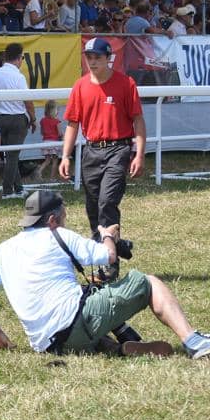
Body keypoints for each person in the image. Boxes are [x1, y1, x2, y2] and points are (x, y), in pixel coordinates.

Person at [0, 189, 210, 360]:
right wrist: (108, 235)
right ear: (52, 221)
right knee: (148, 283)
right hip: (76, 321)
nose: (65, 221)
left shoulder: (3, 249)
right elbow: (108, 257)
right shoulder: (57, 236)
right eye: (64, 216)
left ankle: (119, 349)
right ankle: (194, 342)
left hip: (47, 344)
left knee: (90, 302)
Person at [60, 37, 145, 265]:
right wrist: (66, 156)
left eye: (98, 57)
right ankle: (112, 248)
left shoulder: (126, 84)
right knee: (93, 207)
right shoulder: (80, 86)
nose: (92, 61)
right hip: (91, 151)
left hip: (118, 149)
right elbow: (72, 124)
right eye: (89, 57)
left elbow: (138, 120)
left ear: (109, 58)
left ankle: (109, 263)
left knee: (107, 202)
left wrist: (138, 153)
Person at [0, 41, 34, 199]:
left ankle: (18, 188)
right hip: (17, 118)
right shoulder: (18, 76)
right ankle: (7, 191)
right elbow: (28, 100)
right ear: (19, 58)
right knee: (13, 156)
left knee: (11, 155)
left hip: (1, 118)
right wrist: (33, 118)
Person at [37, 99, 62, 182]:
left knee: (47, 160)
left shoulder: (43, 120)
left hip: (45, 143)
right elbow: (59, 133)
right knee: (55, 161)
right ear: (54, 110)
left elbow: (42, 132)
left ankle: (39, 171)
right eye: (57, 109)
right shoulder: (57, 121)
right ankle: (52, 178)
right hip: (54, 143)